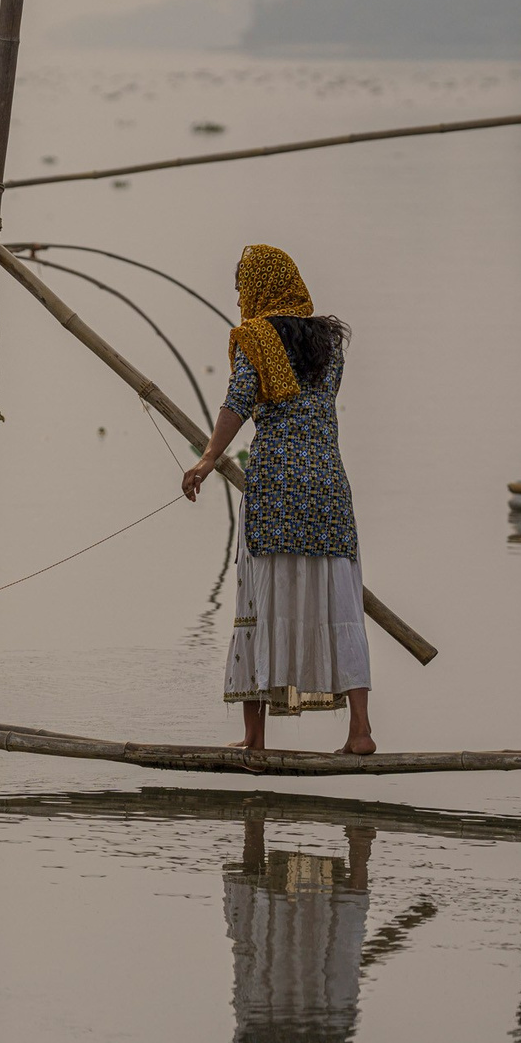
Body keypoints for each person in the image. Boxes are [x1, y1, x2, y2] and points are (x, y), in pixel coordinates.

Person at [182, 244, 374, 754]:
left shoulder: (255, 338)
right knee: (342, 604)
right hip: (329, 487)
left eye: (243, 285)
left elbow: (239, 401)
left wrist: (207, 458)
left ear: (257, 288)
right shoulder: (329, 343)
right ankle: (360, 731)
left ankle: (254, 738)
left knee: (259, 605)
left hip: (275, 488)